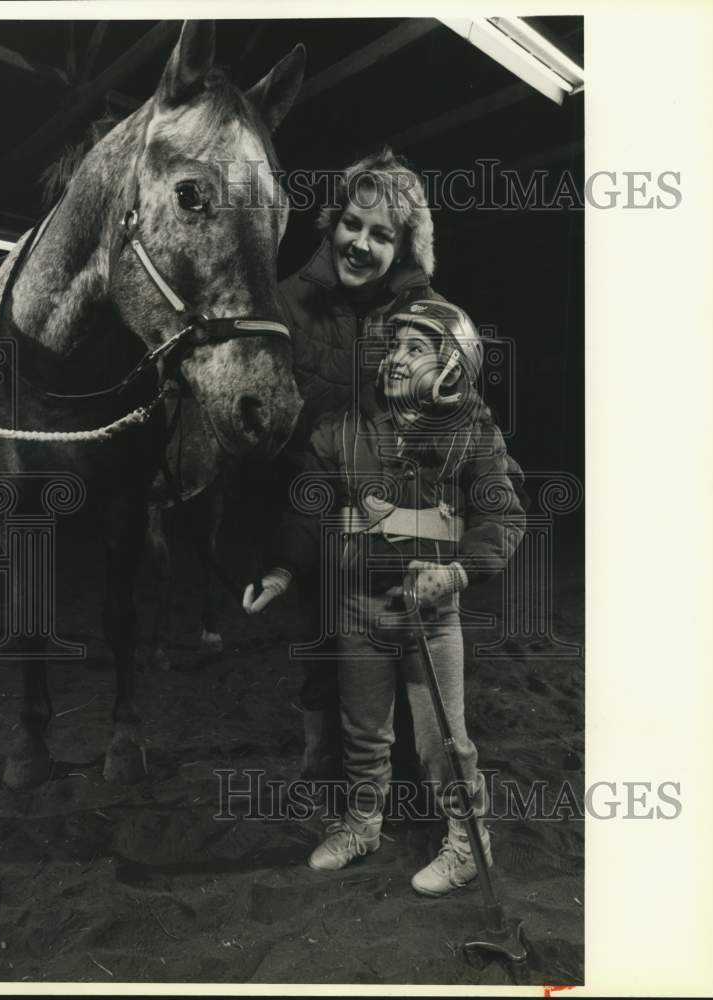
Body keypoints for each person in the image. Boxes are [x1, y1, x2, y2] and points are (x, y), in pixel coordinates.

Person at [244, 299, 526, 896]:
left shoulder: (474, 434)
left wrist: (455, 573)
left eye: (416, 347)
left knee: (441, 737)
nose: (397, 359)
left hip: (429, 614)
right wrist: (282, 569)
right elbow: (309, 506)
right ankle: (364, 824)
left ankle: (468, 842)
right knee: (364, 729)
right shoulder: (345, 429)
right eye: (394, 345)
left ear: (454, 364)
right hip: (356, 607)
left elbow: (502, 516)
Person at [275, 147, 444, 780]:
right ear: (332, 222)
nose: (360, 244)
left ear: (402, 248)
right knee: (325, 628)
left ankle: (408, 753)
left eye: (381, 235)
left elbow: (450, 415)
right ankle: (322, 745)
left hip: (401, 506)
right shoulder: (287, 300)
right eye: (352, 225)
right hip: (312, 488)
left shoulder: (425, 312)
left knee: (407, 627)